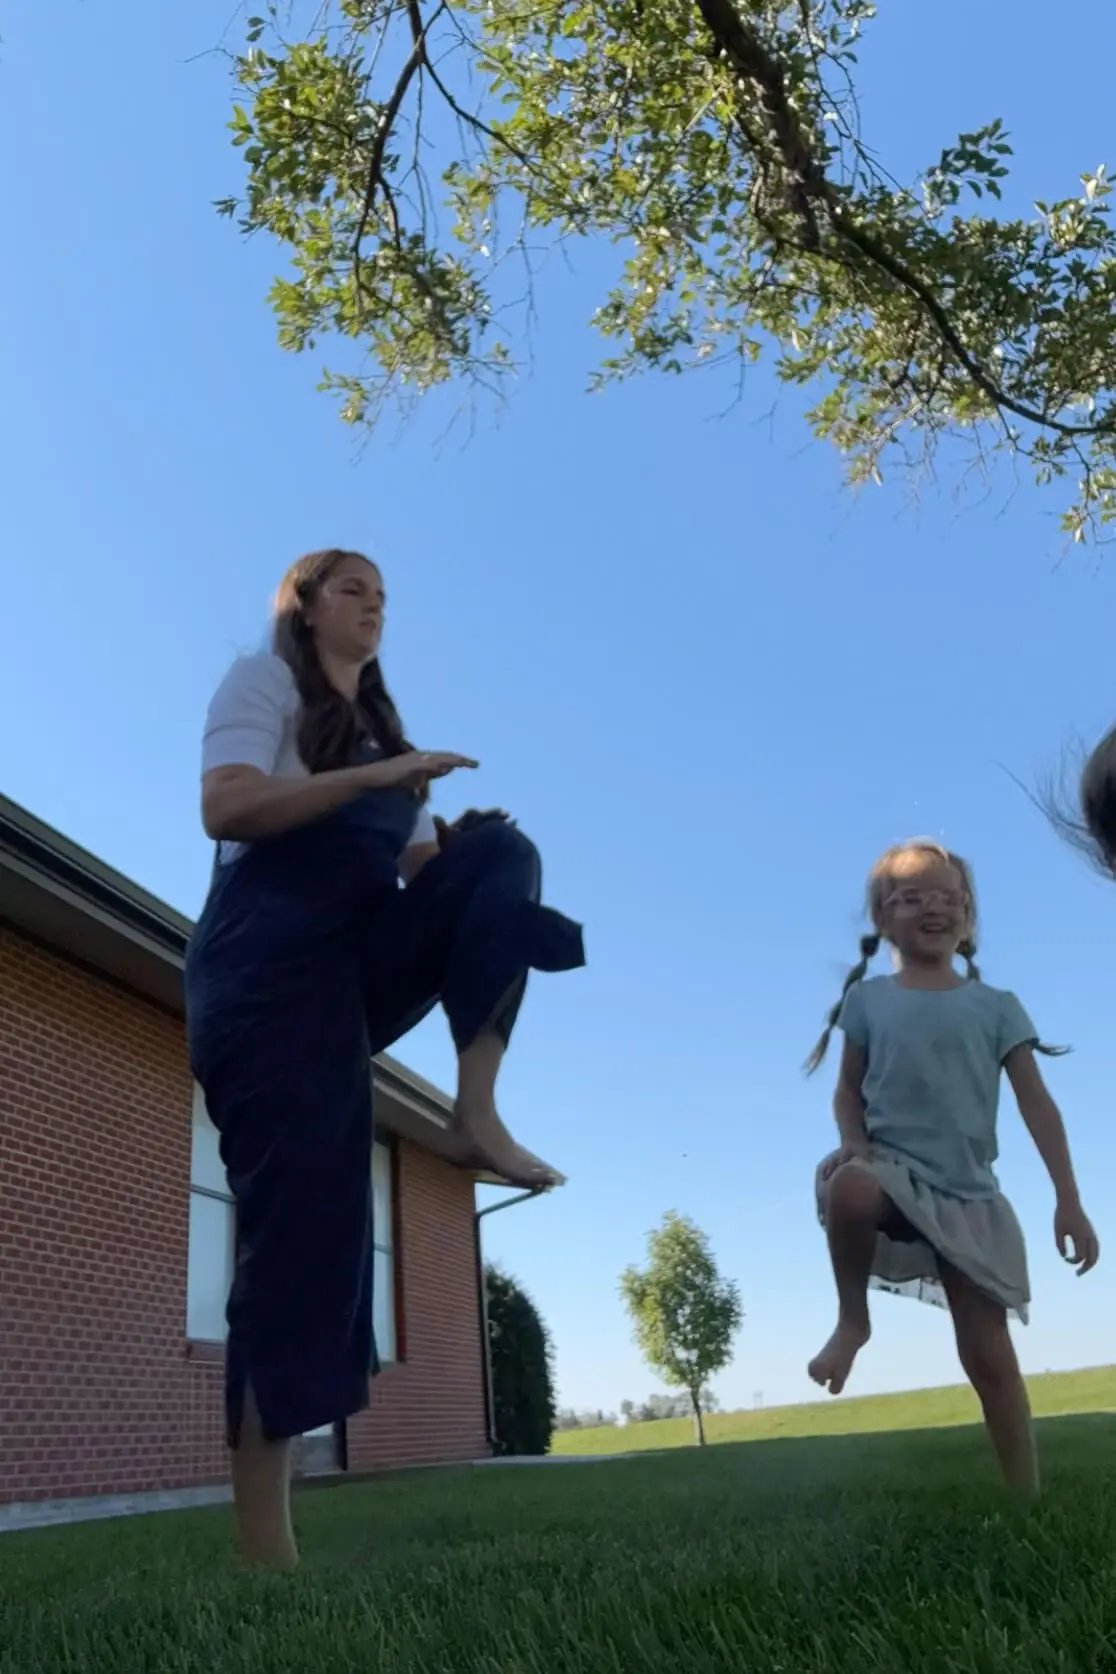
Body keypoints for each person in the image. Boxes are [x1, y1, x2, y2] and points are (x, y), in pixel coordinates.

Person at [185, 547, 585, 1569]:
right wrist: (374, 778)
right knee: (302, 1233)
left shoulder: (385, 740)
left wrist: (449, 859)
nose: (374, 606)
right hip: (263, 973)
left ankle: (473, 1111)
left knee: (505, 856)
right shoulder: (264, 679)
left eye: (383, 596)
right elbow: (227, 806)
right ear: (306, 607)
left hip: (351, 967)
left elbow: (410, 877)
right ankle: (265, 1547)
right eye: (352, 588)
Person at [804, 839, 1098, 1493]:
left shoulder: (996, 1008)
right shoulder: (871, 1001)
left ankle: (1027, 1496)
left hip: (967, 1194)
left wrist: (1068, 1199)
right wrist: (853, 1141)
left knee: (989, 1354)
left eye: (948, 897)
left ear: (968, 915)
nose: (933, 907)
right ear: (884, 920)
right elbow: (847, 1089)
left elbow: (1038, 1107)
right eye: (912, 898)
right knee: (849, 1188)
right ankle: (853, 1321)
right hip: (891, 1171)